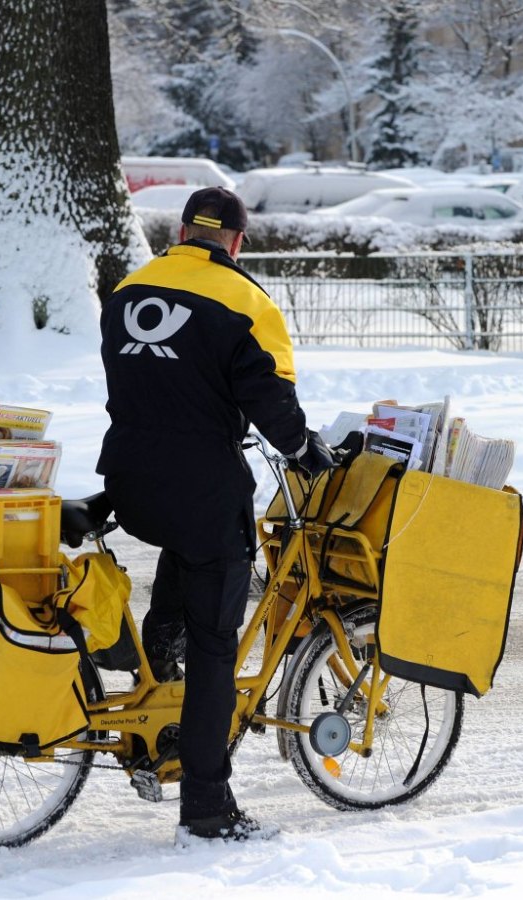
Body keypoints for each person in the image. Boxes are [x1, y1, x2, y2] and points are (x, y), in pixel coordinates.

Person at [96, 186, 335, 843]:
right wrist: (306, 450)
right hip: (201, 491)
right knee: (216, 640)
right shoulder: (246, 302)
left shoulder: (128, 288)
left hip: (128, 481)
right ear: (236, 240)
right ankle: (207, 804)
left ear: (181, 230)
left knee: (187, 563)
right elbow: (272, 404)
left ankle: (160, 698)